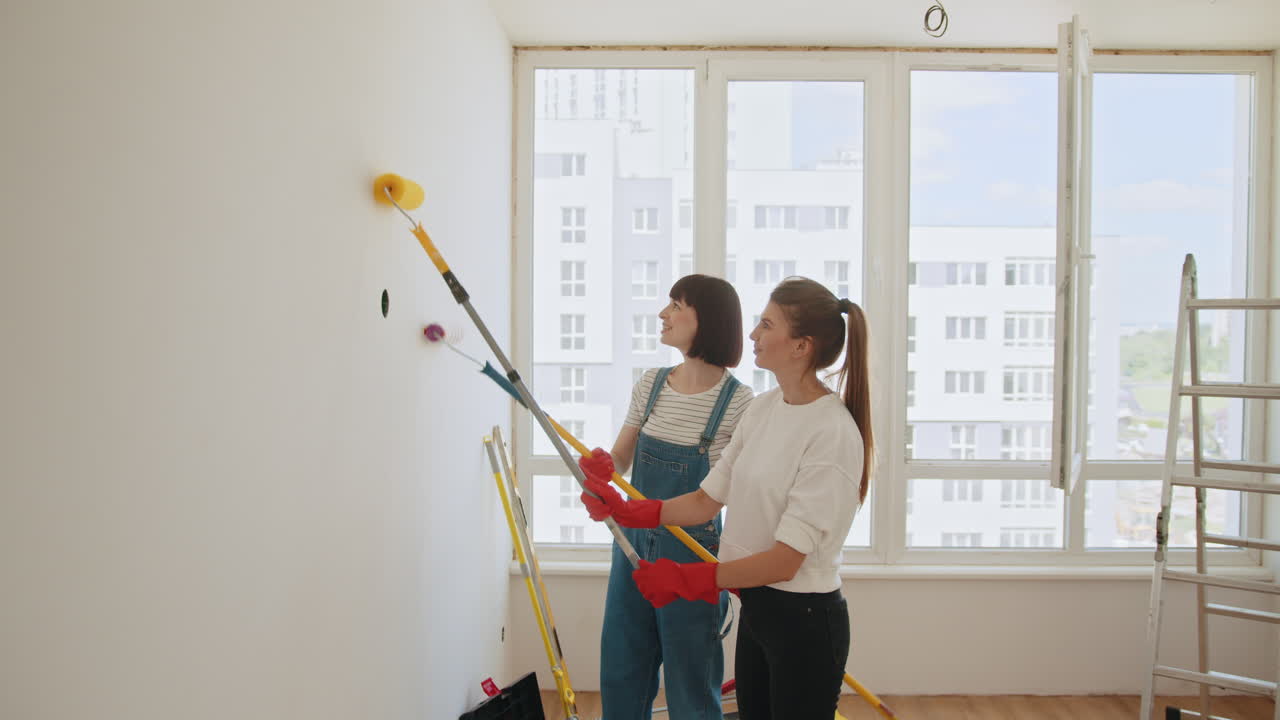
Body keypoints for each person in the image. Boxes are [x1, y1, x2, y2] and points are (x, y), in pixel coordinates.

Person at [579, 276, 872, 720]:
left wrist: (689, 578)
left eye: (766, 325)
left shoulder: (831, 432)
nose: (752, 334)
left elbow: (786, 561)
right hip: (757, 607)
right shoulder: (765, 409)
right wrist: (627, 510)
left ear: (801, 346)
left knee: (694, 690)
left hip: (805, 619)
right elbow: (706, 499)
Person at [587, 273, 753, 720]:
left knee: (690, 682)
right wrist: (603, 467)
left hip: (692, 551)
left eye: (677, 305)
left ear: (708, 319)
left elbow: (718, 497)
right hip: (631, 545)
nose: (664, 314)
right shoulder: (652, 384)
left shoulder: (740, 403)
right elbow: (622, 457)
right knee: (622, 668)